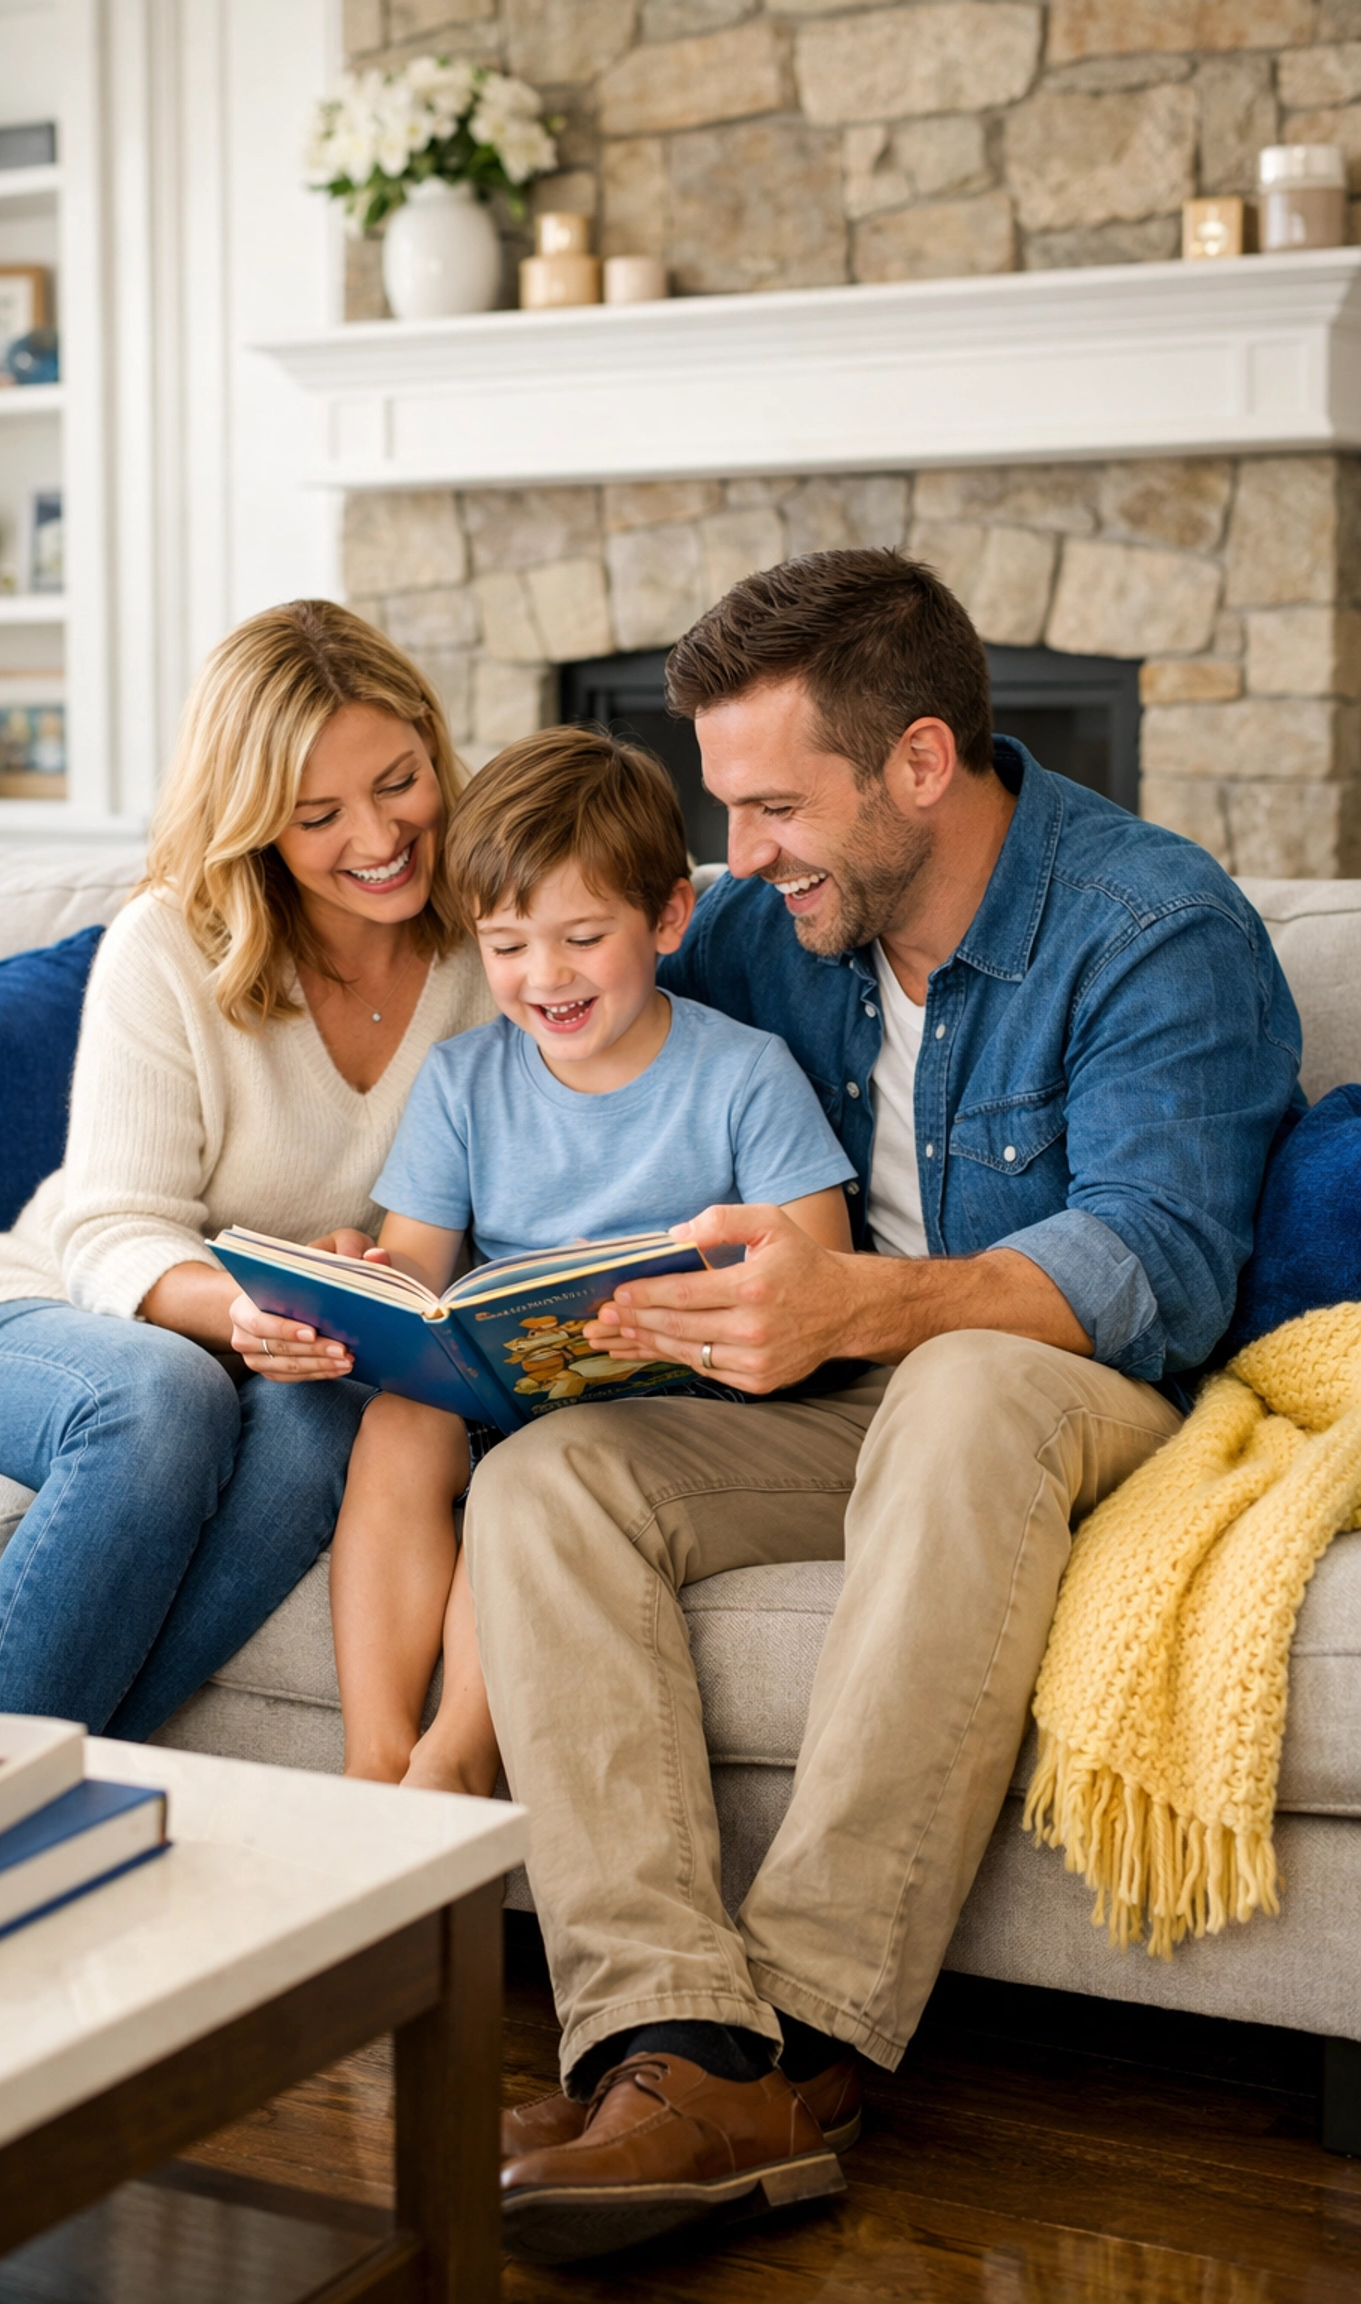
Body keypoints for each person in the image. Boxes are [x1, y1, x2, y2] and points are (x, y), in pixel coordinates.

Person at [469, 550, 1304, 2264]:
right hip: (845, 1401)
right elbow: (577, 1021)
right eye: (727, 806)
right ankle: (668, 2038)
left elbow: (1157, 1260)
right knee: (550, 1476)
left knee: (970, 1383)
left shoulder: (1155, 926)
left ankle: (803, 2043)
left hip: (1073, 1403)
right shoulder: (769, 926)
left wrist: (864, 1300)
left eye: (776, 808)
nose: (743, 852)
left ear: (921, 762)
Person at [0, 600, 495, 1738]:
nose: (379, 837)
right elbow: (108, 1230)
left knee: (332, 1425)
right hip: (48, 1315)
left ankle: (52, 1790)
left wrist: (353, 1279)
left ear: (434, 748)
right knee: (165, 1395)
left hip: (304, 1355)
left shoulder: (500, 943)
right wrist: (249, 1308)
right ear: (255, 821)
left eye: (400, 782)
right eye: (318, 815)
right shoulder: (172, 942)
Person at [331, 728, 855, 1800]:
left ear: (668, 919)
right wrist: (360, 1279)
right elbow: (415, 1279)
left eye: (581, 937)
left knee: (535, 1474)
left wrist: (695, 1304)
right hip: (511, 1382)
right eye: (507, 946)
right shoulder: (463, 1080)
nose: (546, 976)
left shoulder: (745, 1075)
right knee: (397, 1423)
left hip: (679, 1405)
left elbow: (824, 1275)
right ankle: (374, 1760)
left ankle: (456, 1757)